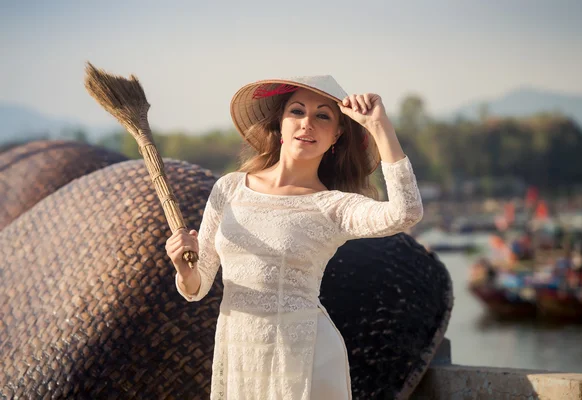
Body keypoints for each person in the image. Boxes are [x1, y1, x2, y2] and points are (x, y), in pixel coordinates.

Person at [165, 76, 423, 400]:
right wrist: (182, 266)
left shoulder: (332, 206)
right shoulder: (229, 188)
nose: (307, 124)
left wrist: (380, 126)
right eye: (297, 111)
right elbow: (197, 286)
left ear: (337, 135)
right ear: (281, 123)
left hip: (304, 357)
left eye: (323, 116)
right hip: (240, 353)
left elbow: (407, 212)